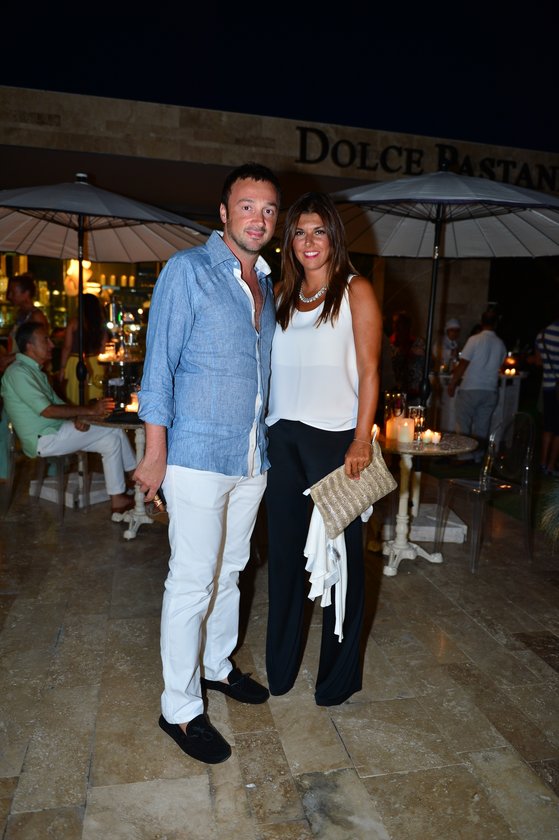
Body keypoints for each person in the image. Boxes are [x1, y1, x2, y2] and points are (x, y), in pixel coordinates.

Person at [133, 162, 281, 765]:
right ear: (224, 212)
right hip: (195, 454)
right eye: (247, 206)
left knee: (232, 569)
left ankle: (217, 664)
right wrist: (155, 453)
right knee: (192, 580)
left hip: (250, 456)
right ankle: (179, 707)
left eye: (268, 210)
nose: (258, 219)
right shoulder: (188, 270)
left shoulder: (267, 283)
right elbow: (158, 368)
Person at [264, 191, 382, 707]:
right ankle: (281, 669)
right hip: (282, 438)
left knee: (345, 561)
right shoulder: (281, 294)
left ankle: (337, 678)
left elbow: (371, 371)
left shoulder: (356, 290)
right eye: (298, 232)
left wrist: (361, 437)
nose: (308, 241)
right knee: (284, 558)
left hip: (336, 442)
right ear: (288, 240)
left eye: (318, 231)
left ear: (333, 235)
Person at [1, 321, 136, 514]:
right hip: (44, 438)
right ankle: (138, 479)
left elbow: (60, 406)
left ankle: (118, 498)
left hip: (54, 430)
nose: (51, 345)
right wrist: (89, 411)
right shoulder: (18, 372)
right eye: (45, 340)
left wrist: (79, 417)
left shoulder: (34, 371)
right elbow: (47, 410)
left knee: (111, 441)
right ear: (29, 346)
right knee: (113, 429)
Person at [447, 308, 507, 456]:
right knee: (482, 427)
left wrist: (453, 383)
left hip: (470, 387)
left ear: (481, 322)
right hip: (490, 390)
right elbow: (500, 365)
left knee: (463, 424)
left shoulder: (474, 340)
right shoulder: (501, 344)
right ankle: (478, 456)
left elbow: (463, 364)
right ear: (496, 323)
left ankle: (463, 456)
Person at [58, 293, 110, 404]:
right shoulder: (100, 325)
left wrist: (62, 368)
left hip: (76, 363)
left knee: (76, 398)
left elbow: (67, 347)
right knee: (95, 398)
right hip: (96, 363)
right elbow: (103, 349)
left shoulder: (74, 322)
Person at [534, 313, 559, 474]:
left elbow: (538, 362)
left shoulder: (542, 335)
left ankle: (542, 464)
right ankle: (551, 465)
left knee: (548, 426)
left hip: (548, 385)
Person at [389, 309, 426, 403]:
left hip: (415, 392)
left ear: (408, 325)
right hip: (395, 392)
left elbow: (429, 363)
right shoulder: (389, 345)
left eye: (400, 323)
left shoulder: (419, 343)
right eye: (394, 323)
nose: (396, 326)